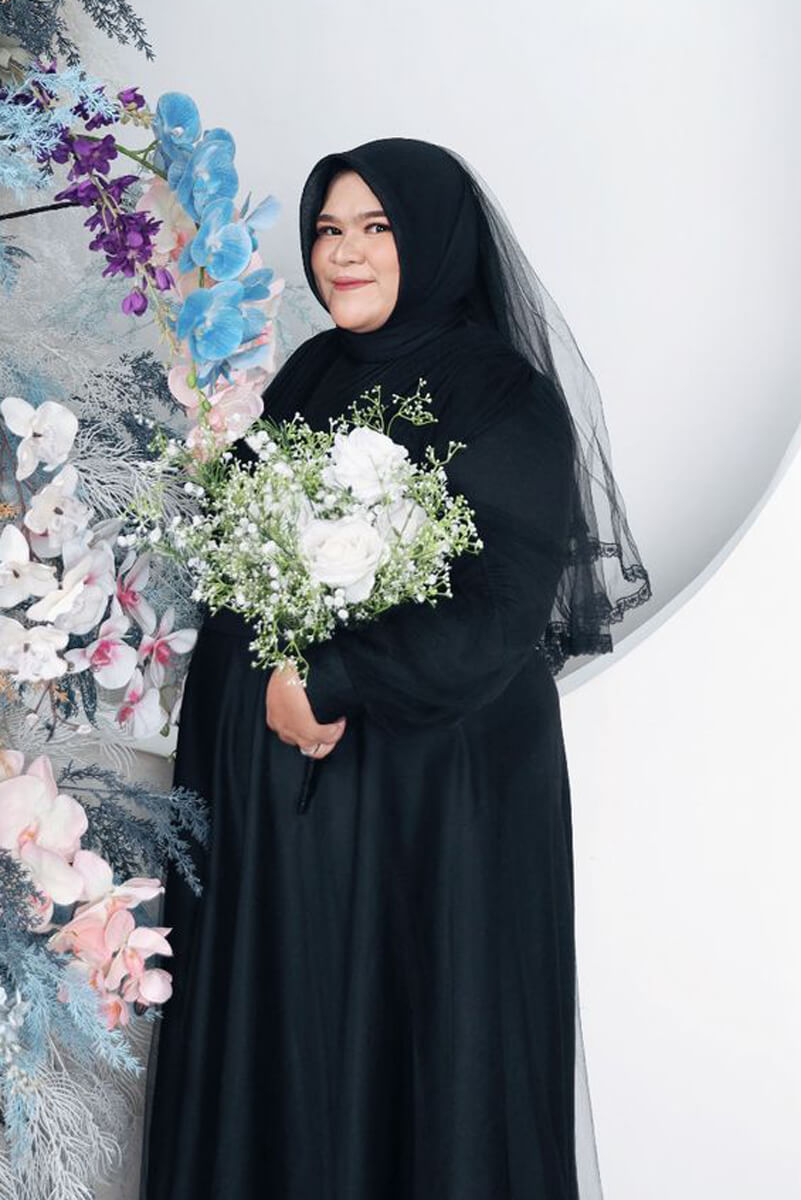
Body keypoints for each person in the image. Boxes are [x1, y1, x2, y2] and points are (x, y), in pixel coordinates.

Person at [138, 136, 652, 1200]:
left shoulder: (501, 395)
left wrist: (329, 680)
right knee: (299, 1058)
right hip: (295, 820)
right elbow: (238, 544)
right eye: (328, 230)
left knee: (420, 1060)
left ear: (434, 240)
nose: (344, 254)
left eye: (375, 228)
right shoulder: (313, 371)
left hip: (434, 819)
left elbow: (500, 609)